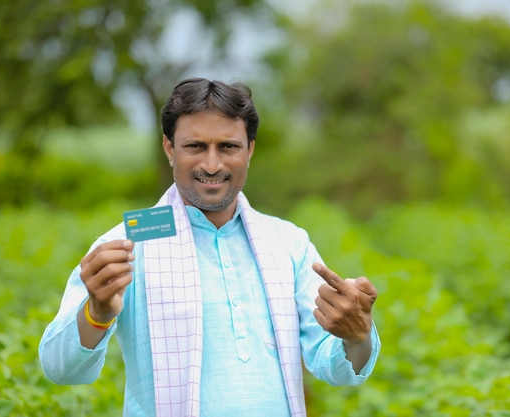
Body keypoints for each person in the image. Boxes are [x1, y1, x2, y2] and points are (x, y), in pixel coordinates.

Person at [39, 77, 381, 417]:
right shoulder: (125, 246)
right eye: (195, 147)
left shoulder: (288, 242)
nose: (212, 165)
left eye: (228, 147)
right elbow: (59, 369)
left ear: (250, 150)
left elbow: (335, 365)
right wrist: (96, 314)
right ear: (170, 149)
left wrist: (356, 335)